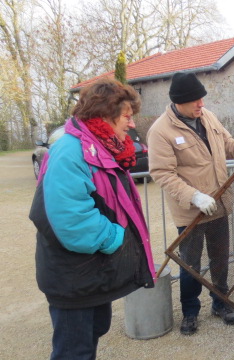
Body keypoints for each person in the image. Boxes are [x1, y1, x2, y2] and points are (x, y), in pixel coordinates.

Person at [29, 78, 156, 359]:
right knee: (74, 351)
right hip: (73, 277)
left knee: (92, 335)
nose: (131, 123)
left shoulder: (99, 149)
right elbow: (71, 220)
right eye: (126, 116)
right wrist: (116, 236)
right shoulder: (71, 152)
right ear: (104, 114)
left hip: (89, 274)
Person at [147, 72, 234, 335]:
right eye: (195, 101)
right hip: (191, 212)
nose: (201, 105)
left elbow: (227, 145)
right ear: (178, 102)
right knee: (191, 264)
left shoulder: (208, 117)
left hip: (219, 205)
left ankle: (220, 303)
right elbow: (162, 173)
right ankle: (190, 312)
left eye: (202, 99)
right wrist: (194, 196)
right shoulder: (161, 131)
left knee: (220, 259)